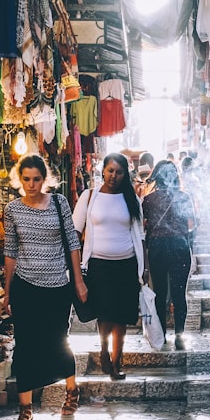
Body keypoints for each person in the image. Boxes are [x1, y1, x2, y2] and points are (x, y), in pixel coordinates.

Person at [3, 155, 87, 420]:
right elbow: (10, 251)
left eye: (36, 179)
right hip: (25, 287)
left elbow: (73, 242)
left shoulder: (60, 203)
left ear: (45, 178)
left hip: (56, 287)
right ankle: (25, 412)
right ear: (19, 179)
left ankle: (72, 390)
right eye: (26, 179)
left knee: (57, 341)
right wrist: (6, 291)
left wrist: (78, 281)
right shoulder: (12, 209)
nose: (31, 184)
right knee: (24, 347)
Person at [73, 153, 146, 380]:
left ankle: (117, 362)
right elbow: (75, 232)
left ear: (125, 174)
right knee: (104, 315)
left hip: (126, 265)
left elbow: (141, 236)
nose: (114, 176)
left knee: (122, 317)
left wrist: (145, 269)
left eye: (119, 172)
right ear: (103, 170)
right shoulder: (89, 196)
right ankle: (104, 351)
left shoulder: (132, 199)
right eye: (110, 170)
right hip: (98, 265)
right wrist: (76, 272)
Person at [142, 160, 196, 350]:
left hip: (157, 247)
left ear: (156, 176)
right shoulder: (184, 197)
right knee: (179, 293)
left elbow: (145, 225)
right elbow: (192, 225)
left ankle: (161, 334)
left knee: (160, 293)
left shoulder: (148, 200)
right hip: (180, 246)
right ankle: (180, 336)